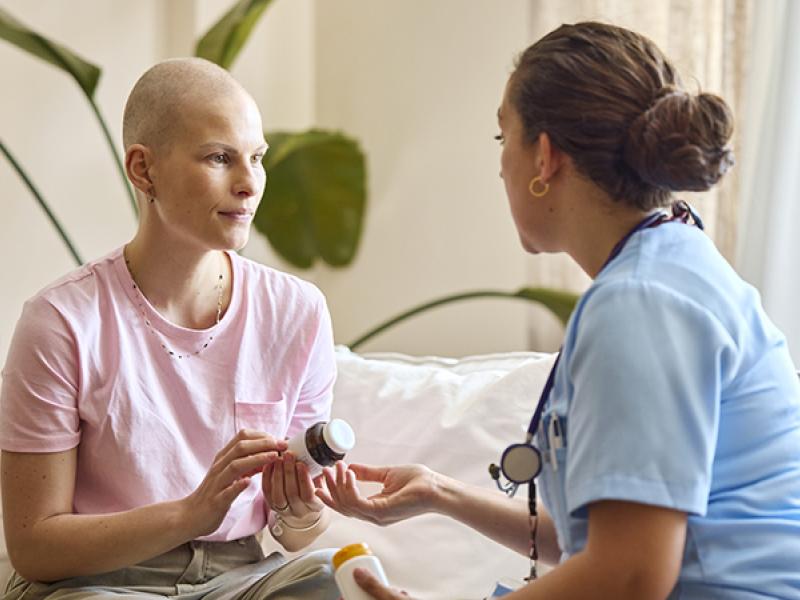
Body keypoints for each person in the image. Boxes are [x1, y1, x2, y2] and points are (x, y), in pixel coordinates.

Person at [315, 22, 800, 600]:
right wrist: (440, 493)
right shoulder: (672, 262)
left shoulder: (640, 304)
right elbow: (604, 543)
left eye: (503, 139)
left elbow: (630, 574)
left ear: (544, 157)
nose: (501, 168)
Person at [0, 58, 340, 600]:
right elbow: (33, 547)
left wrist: (298, 512)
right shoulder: (61, 322)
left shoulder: (297, 311)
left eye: (256, 158)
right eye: (219, 158)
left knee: (347, 578)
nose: (249, 183)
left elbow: (297, 535)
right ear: (143, 170)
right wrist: (190, 514)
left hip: (240, 577)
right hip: (100, 585)